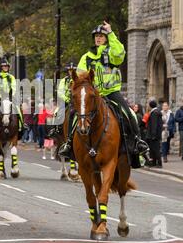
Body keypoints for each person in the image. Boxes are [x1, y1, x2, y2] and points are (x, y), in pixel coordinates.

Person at [58, 21, 151, 166]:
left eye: (101, 36)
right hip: (93, 94)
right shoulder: (86, 57)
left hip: (111, 92)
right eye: (96, 36)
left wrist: (111, 33)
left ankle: (138, 142)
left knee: (129, 112)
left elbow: (120, 53)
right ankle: (69, 143)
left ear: (106, 38)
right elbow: (81, 74)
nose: (98, 38)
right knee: (72, 113)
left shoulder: (111, 53)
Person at [0, 56, 24, 133]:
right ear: (1, 67)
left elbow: (14, 87)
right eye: (4, 66)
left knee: (18, 109)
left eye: (6, 66)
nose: (5, 67)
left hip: (9, 97)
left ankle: (21, 125)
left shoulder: (11, 77)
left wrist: (12, 96)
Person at [146, 100, 163, 167]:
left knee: (156, 149)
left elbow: (154, 125)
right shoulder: (157, 112)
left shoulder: (154, 113)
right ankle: (154, 163)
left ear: (150, 106)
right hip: (156, 134)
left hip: (154, 135)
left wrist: (153, 135)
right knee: (153, 149)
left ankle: (159, 163)